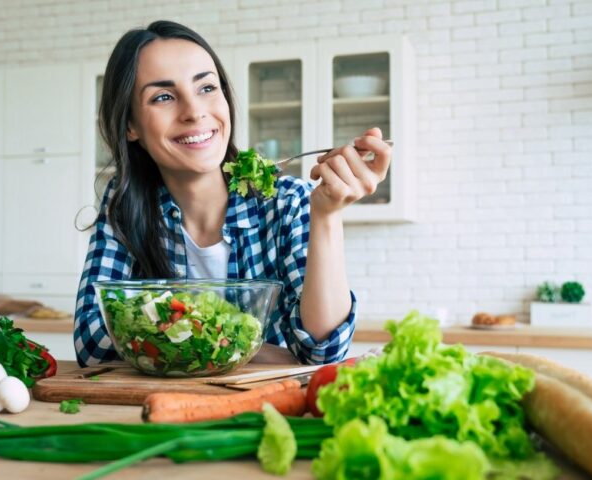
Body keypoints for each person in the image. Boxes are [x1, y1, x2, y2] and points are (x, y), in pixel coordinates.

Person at [74, 20, 392, 366]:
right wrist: (253, 349)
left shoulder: (287, 201)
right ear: (130, 125)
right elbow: (93, 343)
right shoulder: (123, 206)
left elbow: (322, 351)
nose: (194, 112)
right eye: (163, 97)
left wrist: (327, 215)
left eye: (207, 88)